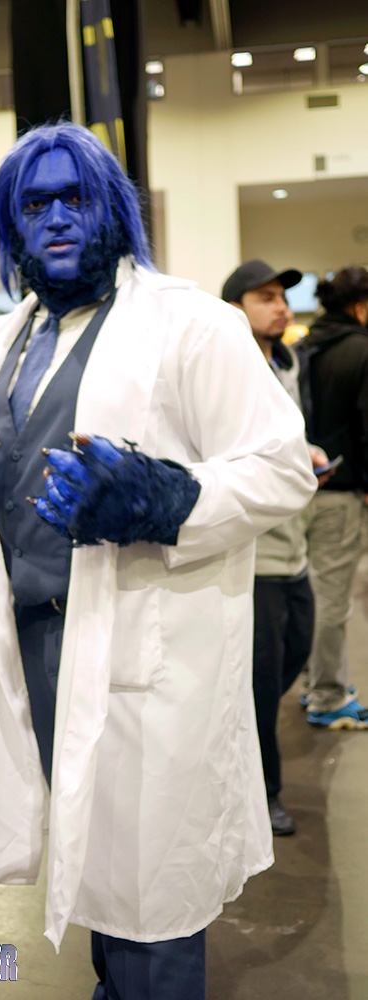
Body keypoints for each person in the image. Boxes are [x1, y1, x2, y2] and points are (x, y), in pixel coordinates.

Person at [0, 123, 317, 1000]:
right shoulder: (8, 339)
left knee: (151, 895)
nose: (57, 218)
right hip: (36, 648)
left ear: (114, 211)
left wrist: (166, 498)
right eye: (34, 205)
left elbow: (284, 470)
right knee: (93, 864)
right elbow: (4, 484)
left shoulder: (192, 323)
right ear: (11, 226)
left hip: (146, 656)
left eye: (76, 198)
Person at [221, 259, 326, 836]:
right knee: (261, 683)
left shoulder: (285, 364)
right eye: (265, 298)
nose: (281, 307)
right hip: (253, 555)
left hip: (294, 546)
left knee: (295, 651)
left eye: (282, 297)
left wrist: (306, 455)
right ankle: (262, 795)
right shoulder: (226, 372)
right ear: (234, 308)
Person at [296, 267, 368, 729]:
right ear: (360, 306)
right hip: (340, 491)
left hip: (299, 488)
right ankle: (327, 694)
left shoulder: (303, 347)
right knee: (332, 598)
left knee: (310, 591)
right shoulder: (361, 349)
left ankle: (314, 681)